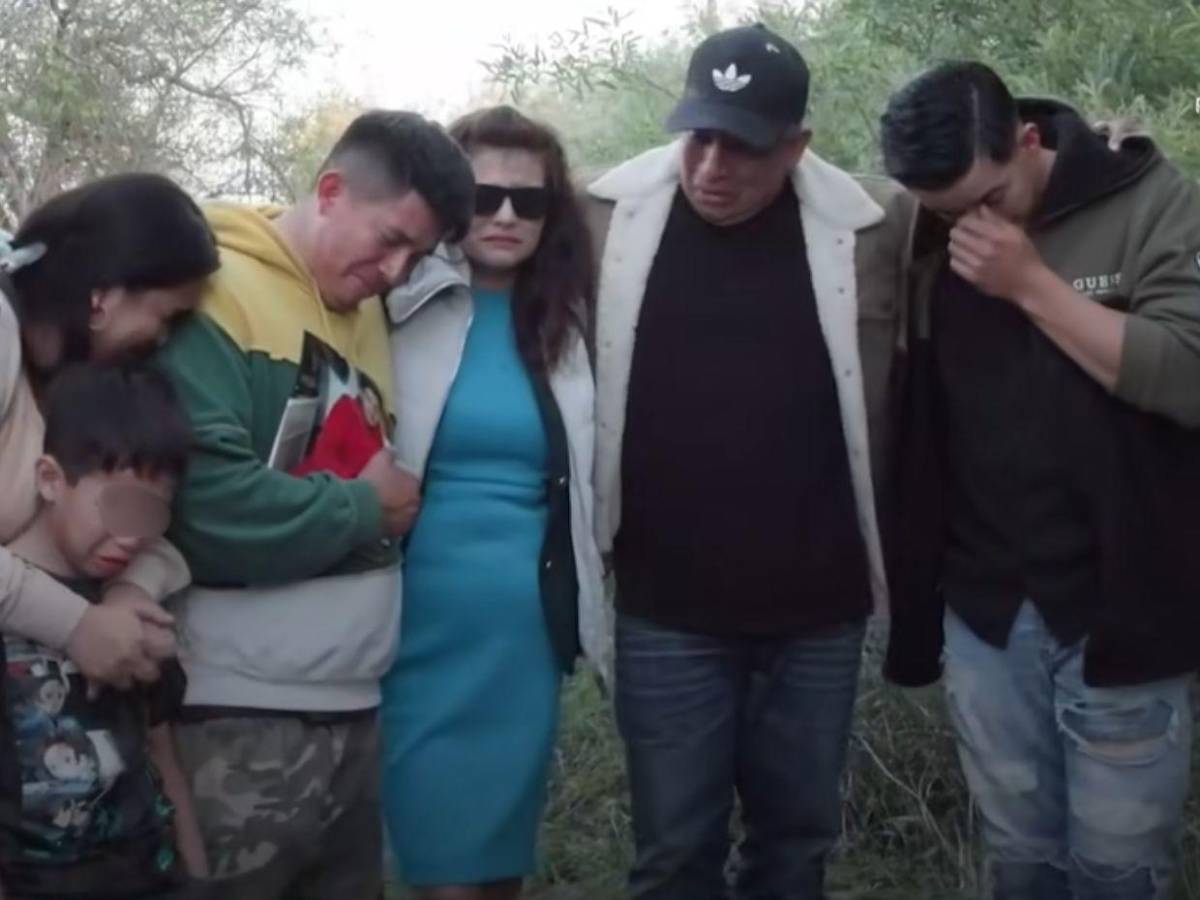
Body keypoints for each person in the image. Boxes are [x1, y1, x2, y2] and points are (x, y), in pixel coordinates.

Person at [584, 24, 914, 900]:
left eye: (743, 147)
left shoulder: (874, 227)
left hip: (818, 611)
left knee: (795, 849)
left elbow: (1001, 191)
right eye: (698, 137)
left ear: (797, 146)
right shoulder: (604, 220)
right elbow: (479, 205)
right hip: (666, 608)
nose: (712, 167)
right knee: (673, 853)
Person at [880, 61, 1200, 899]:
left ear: (1027, 140)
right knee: (1020, 860)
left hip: (1122, 606)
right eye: (946, 212)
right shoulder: (923, 230)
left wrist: (1028, 283)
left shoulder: (1150, 202)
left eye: (988, 199)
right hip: (988, 615)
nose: (970, 226)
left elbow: (1188, 373)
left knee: (1119, 870)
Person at [156, 110, 475, 900]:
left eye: (418, 256)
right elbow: (207, 505)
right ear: (330, 191)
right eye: (390, 240)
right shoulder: (214, 293)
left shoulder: (367, 311)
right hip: (236, 716)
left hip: (356, 708)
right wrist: (367, 512)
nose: (396, 272)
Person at [380, 105, 607, 900]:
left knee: (498, 859)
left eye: (529, 200)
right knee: (435, 860)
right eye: (484, 196)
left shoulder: (575, 324)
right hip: (410, 624)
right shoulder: (392, 307)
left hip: (522, 631)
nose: (507, 215)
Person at [0, 173, 219, 691]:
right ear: (102, 299)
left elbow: (151, 532)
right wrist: (75, 623)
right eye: (167, 317)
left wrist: (128, 593)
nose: (163, 340)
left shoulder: (74, 387)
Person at [1, 363, 207, 899]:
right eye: (118, 505)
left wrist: (198, 878)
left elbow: (161, 753)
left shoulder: (130, 602)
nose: (134, 535)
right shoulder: (14, 607)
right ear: (50, 480)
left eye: (152, 514)